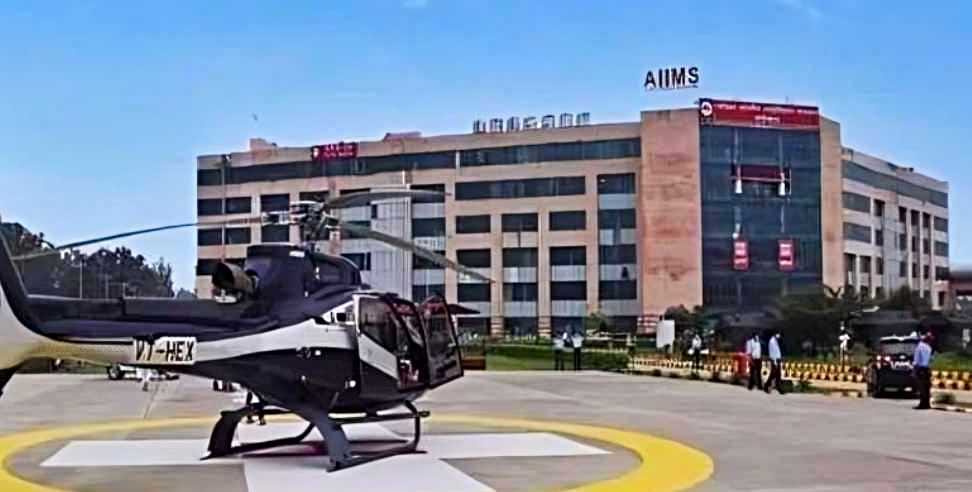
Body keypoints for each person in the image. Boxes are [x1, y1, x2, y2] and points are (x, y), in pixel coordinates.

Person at [912, 332, 934, 410]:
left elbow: (916, 360)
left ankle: (922, 404)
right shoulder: (929, 348)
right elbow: (931, 359)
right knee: (927, 387)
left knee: (921, 387)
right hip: (927, 369)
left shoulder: (919, 347)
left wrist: (914, 369)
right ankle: (927, 404)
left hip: (920, 369)